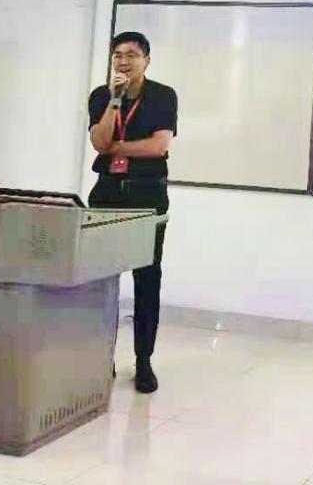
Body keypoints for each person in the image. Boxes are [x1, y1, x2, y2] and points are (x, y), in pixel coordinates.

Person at [86, 31, 177, 394]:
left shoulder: (163, 96)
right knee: (100, 278)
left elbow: (158, 146)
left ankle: (143, 361)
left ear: (146, 61)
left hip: (146, 193)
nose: (123, 62)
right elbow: (98, 142)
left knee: (147, 278)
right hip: (107, 192)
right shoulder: (100, 96)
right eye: (117, 55)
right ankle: (99, 358)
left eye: (131, 55)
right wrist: (114, 101)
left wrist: (117, 146)